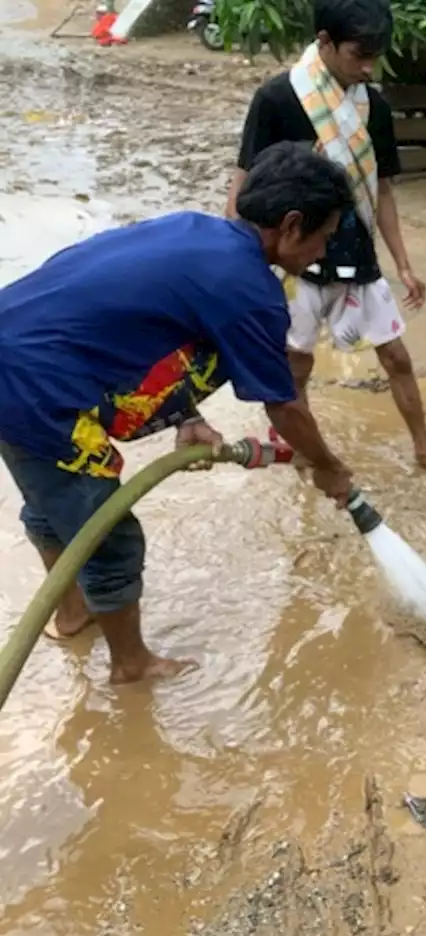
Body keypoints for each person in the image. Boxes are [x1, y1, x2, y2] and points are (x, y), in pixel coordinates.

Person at [0, 142, 358, 685]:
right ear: (290, 226)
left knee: (53, 499)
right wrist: (328, 466)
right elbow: (284, 406)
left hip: (17, 356)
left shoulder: (199, 233)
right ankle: (131, 666)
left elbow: (154, 335)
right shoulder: (250, 289)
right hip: (36, 389)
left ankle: (73, 614)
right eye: (324, 238)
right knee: (109, 534)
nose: (321, 254)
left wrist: (184, 415)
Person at [226, 0, 426, 474]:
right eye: (357, 54)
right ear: (324, 42)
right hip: (295, 254)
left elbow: (382, 191)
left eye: (375, 56)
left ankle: (425, 451)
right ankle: (307, 452)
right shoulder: (278, 99)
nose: (367, 67)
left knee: (397, 355)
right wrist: (234, 254)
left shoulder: (375, 107)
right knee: (296, 365)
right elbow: (243, 179)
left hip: (355, 246)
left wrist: (403, 263)